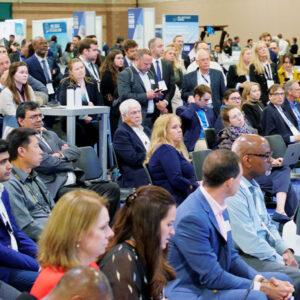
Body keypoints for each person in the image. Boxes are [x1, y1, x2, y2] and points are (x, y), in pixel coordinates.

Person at [166, 149, 294, 300]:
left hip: (215, 277)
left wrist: (262, 281)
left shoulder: (219, 203)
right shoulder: (192, 217)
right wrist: (263, 288)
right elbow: (211, 276)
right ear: (229, 182)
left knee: (284, 280)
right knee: (257, 296)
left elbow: (231, 257)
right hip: (194, 289)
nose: (242, 183)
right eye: (240, 178)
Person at [16, 102, 120, 222]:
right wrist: (66, 159)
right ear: (21, 120)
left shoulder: (49, 134)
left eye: (40, 116)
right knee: (85, 199)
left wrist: (59, 155)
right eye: (33, 117)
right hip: (56, 188)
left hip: (76, 181)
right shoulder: (23, 141)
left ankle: (109, 232)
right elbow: (47, 164)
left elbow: (75, 151)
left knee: (111, 188)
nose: (39, 120)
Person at [226, 134, 300, 300]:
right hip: (246, 258)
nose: (270, 160)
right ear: (247, 160)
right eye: (266, 156)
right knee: (298, 278)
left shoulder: (253, 184)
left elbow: (268, 225)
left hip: (264, 252)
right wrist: (281, 259)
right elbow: (248, 242)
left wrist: (285, 250)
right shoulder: (234, 192)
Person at [30, 189, 114, 299]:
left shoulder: (87, 267)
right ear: (78, 235)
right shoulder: (60, 284)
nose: (110, 233)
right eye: (103, 227)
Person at [99, 185, 176, 300]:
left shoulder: (141, 252)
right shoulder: (122, 262)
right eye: (169, 224)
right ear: (150, 226)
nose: (172, 232)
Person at [0, 139, 39, 292]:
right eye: (3, 162)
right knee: (55, 281)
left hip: (15, 258)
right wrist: (36, 265)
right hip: (4, 268)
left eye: (8, 160)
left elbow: (15, 232)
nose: (10, 166)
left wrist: (42, 255)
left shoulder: (2, 190)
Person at [3, 128, 55, 241]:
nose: (41, 151)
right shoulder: (10, 183)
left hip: (54, 228)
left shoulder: (33, 176)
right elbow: (26, 227)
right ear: (21, 151)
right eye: (36, 147)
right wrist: (60, 234)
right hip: (43, 240)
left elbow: (53, 208)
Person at [146, 114, 198, 204]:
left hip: (180, 196)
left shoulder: (172, 149)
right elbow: (176, 179)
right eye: (174, 127)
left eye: (180, 127)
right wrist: (194, 187)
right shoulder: (166, 149)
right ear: (163, 132)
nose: (179, 130)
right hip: (174, 200)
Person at [59, 58, 103, 147]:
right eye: (77, 69)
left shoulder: (92, 82)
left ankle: (96, 158)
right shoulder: (66, 83)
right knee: (81, 130)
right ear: (71, 72)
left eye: (82, 67)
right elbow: (64, 101)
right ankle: (81, 157)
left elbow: (99, 103)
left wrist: (90, 116)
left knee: (98, 129)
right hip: (73, 118)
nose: (80, 71)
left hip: (90, 118)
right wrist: (86, 106)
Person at [117, 48, 162, 128]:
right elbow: (124, 96)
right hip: (134, 120)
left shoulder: (150, 74)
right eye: (146, 64)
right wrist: (146, 96)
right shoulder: (126, 74)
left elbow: (153, 91)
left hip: (152, 118)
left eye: (150, 64)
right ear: (137, 60)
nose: (148, 67)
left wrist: (156, 94)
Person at [113, 99, 150, 188]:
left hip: (152, 167)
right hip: (137, 172)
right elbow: (133, 159)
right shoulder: (122, 133)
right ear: (124, 116)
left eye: (139, 112)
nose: (138, 115)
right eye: (133, 113)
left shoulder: (146, 129)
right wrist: (153, 155)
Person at [182, 49, 226, 115]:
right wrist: (190, 97)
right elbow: (183, 94)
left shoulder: (218, 74)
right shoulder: (188, 77)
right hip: (196, 108)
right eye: (203, 60)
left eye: (207, 59)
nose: (206, 62)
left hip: (214, 108)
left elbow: (223, 94)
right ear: (197, 62)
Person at [176, 84, 215, 152]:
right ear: (197, 97)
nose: (207, 103)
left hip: (210, 141)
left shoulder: (209, 110)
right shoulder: (182, 109)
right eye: (205, 100)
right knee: (203, 147)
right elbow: (187, 117)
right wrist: (192, 105)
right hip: (196, 141)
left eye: (208, 100)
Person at [100, 49, 124, 136]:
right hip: (112, 109)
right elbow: (107, 94)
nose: (121, 60)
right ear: (112, 60)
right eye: (118, 58)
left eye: (122, 58)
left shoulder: (122, 72)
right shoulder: (107, 73)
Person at [149, 38, 176, 114]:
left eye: (163, 46)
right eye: (159, 46)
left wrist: (165, 102)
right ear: (152, 48)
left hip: (166, 106)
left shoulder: (167, 64)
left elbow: (172, 86)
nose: (162, 49)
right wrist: (157, 104)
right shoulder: (146, 65)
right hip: (152, 107)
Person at [249, 41, 279, 105]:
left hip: (275, 96)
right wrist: (266, 101)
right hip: (262, 99)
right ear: (256, 52)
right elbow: (255, 85)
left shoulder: (273, 65)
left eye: (265, 47)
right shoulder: (253, 67)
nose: (263, 49)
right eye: (260, 48)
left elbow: (277, 83)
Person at [163, 45, 183, 113]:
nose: (172, 55)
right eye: (170, 53)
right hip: (165, 94)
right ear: (164, 54)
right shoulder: (161, 66)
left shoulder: (177, 67)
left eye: (174, 54)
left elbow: (181, 81)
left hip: (176, 93)